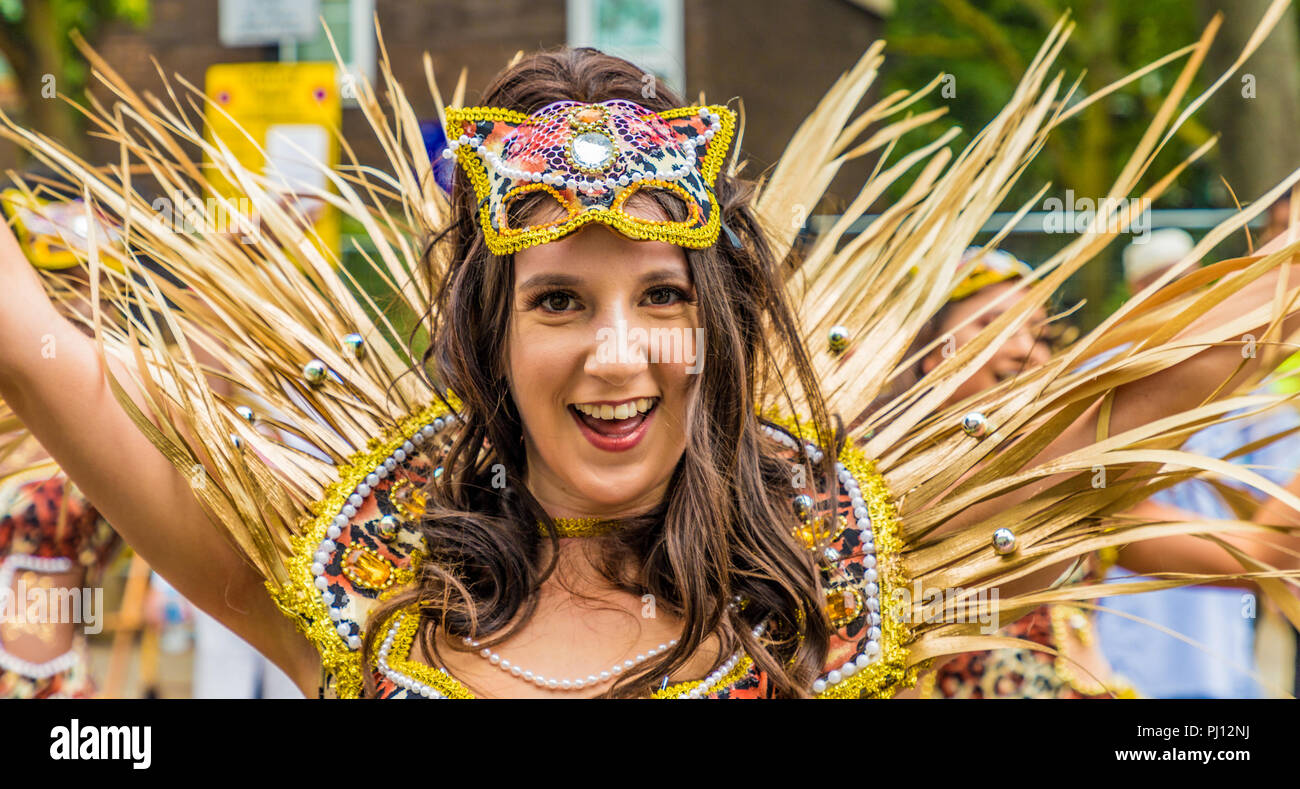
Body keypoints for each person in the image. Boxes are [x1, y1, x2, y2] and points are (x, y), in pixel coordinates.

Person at [2, 26, 1300, 699]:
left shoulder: (831, 573)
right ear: (491, 341)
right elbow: (40, 350)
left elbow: (1139, 398)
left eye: (663, 297)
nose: (618, 356)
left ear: (715, 325)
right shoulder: (362, 587)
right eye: (561, 299)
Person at [1094, 229, 1300, 698]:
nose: (1178, 294)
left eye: (1190, 281)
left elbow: (1274, 510)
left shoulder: (1245, 386)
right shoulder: (1101, 376)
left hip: (1219, 594)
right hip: (1138, 603)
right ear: (1136, 290)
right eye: (1160, 283)